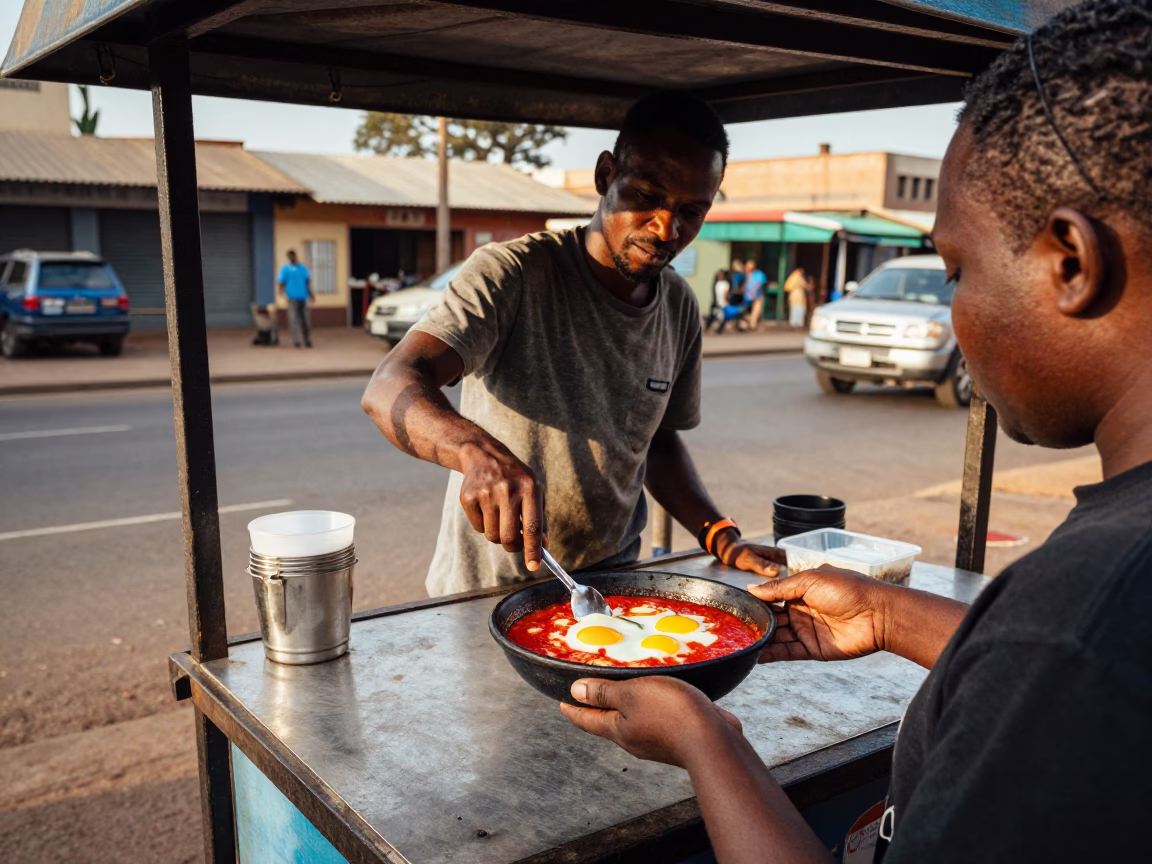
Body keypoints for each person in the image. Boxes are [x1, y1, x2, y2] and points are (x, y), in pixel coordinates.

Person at [561, 2, 1152, 861]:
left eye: (956, 269)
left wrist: (707, 741)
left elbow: (1059, 660)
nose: (953, 315)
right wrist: (880, 608)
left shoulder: (1081, 616)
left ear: (1070, 261)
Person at [361, 92, 784, 596]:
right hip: (486, 594)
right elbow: (389, 385)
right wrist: (475, 453)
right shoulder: (510, 274)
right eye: (648, 196)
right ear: (607, 176)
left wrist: (717, 533)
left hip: (615, 582)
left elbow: (656, 439)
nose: (666, 228)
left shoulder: (679, 306)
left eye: (691, 211)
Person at [278, 249, 313, 348]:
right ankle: (296, 341)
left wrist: (311, 294)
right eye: (290, 257)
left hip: (303, 297)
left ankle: (307, 340)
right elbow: (281, 282)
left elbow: (307, 282)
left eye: (293, 257)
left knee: (306, 321)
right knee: (293, 320)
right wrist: (281, 292)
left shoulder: (302, 268)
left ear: (295, 257)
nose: (292, 258)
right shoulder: (285, 269)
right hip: (292, 298)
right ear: (288, 258)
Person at [739, 259, 766, 330]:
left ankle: (752, 326)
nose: (747, 268)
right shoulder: (746, 275)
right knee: (745, 312)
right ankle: (751, 324)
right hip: (747, 297)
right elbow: (744, 285)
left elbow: (762, 285)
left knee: (756, 312)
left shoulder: (759, 274)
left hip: (757, 296)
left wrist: (762, 295)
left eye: (748, 267)